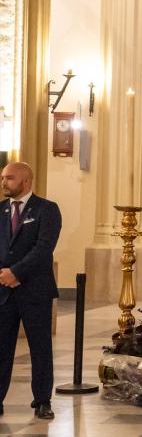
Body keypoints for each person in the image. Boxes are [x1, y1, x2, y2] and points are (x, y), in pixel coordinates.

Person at [0, 162, 61, 420]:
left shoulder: (47, 209)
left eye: (9, 178)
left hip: (35, 290)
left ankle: (42, 401)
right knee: (2, 348)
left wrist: (16, 272)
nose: (4, 182)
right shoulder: (0, 210)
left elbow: (44, 248)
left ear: (26, 181)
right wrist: (5, 275)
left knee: (40, 348)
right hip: (4, 290)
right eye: (3, 178)